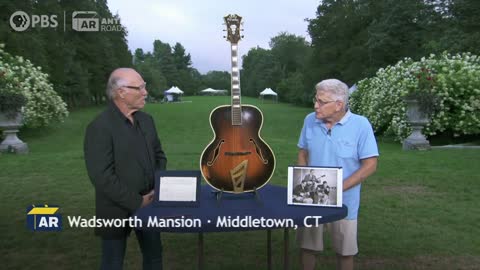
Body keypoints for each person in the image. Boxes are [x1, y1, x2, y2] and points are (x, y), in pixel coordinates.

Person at [84, 68, 167, 270]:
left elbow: (159, 156)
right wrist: (137, 201)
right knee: (112, 263)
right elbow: (101, 176)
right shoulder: (100, 127)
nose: (145, 92)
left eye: (144, 86)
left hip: (150, 203)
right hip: (115, 208)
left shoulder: (147, 121)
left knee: (154, 258)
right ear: (121, 92)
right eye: (139, 88)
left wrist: (156, 187)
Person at [296, 79, 378, 270]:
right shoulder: (310, 120)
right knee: (307, 248)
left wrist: (337, 189)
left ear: (339, 104)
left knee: (345, 251)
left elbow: (371, 164)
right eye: (315, 100)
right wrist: (302, 180)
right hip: (311, 199)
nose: (316, 106)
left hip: (345, 202)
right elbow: (303, 152)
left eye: (322, 102)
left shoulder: (361, 125)